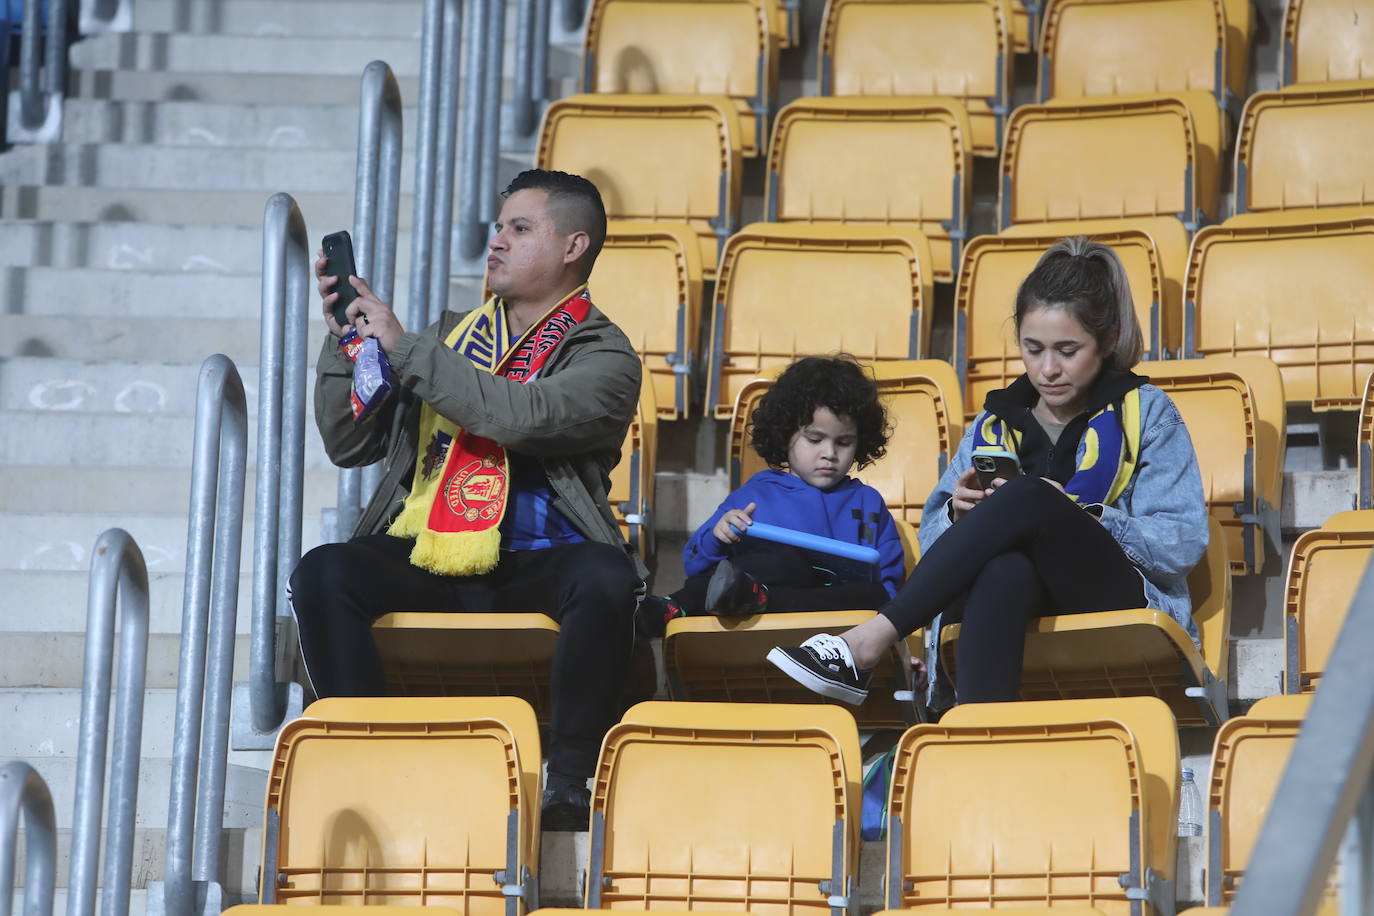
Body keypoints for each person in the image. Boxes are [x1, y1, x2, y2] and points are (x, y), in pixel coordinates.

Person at [288, 169, 644, 831]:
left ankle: (570, 781)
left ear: (573, 247)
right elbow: (348, 441)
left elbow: (522, 416)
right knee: (323, 571)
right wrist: (348, 341)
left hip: (539, 560)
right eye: (497, 227)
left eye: (519, 228)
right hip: (428, 551)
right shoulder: (447, 338)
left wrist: (409, 348)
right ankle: (371, 766)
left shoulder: (607, 356)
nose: (497, 242)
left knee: (607, 577)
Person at [766, 237, 1208, 706]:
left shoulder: (1149, 412)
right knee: (1005, 567)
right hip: (1011, 595)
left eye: (1067, 350)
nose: (1047, 369)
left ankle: (869, 640)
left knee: (1032, 497)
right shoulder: (993, 422)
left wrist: (1088, 516)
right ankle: (980, 736)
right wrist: (958, 514)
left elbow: (1180, 543)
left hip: (1109, 596)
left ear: (1108, 340)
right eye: (1033, 348)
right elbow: (935, 546)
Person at [637, 355, 904, 637]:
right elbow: (695, 565)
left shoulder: (868, 501)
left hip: (834, 627)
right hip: (755, 634)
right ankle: (676, 608)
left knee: (874, 595)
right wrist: (719, 536)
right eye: (815, 439)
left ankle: (757, 599)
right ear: (785, 433)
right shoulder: (756, 493)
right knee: (782, 563)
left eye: (844, 442)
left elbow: (888, 586)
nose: (829, 453)